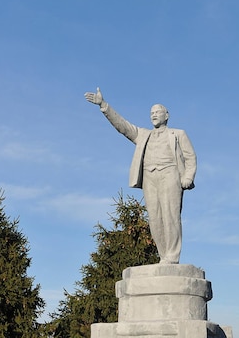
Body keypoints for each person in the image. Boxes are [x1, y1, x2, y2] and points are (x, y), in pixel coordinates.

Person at [84, 87, 197, 264]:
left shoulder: (178, 134)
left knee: (171, 215)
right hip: (149, 177)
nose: (153, 115)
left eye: (157, 112)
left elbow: (190, 157)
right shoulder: (143, 135)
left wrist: (188, 177)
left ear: (166, 115)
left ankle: (172, 256)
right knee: (154, 218)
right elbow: (123, 126)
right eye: (151, 112)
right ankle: (163, 256)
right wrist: (104, 105)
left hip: (170, 174)